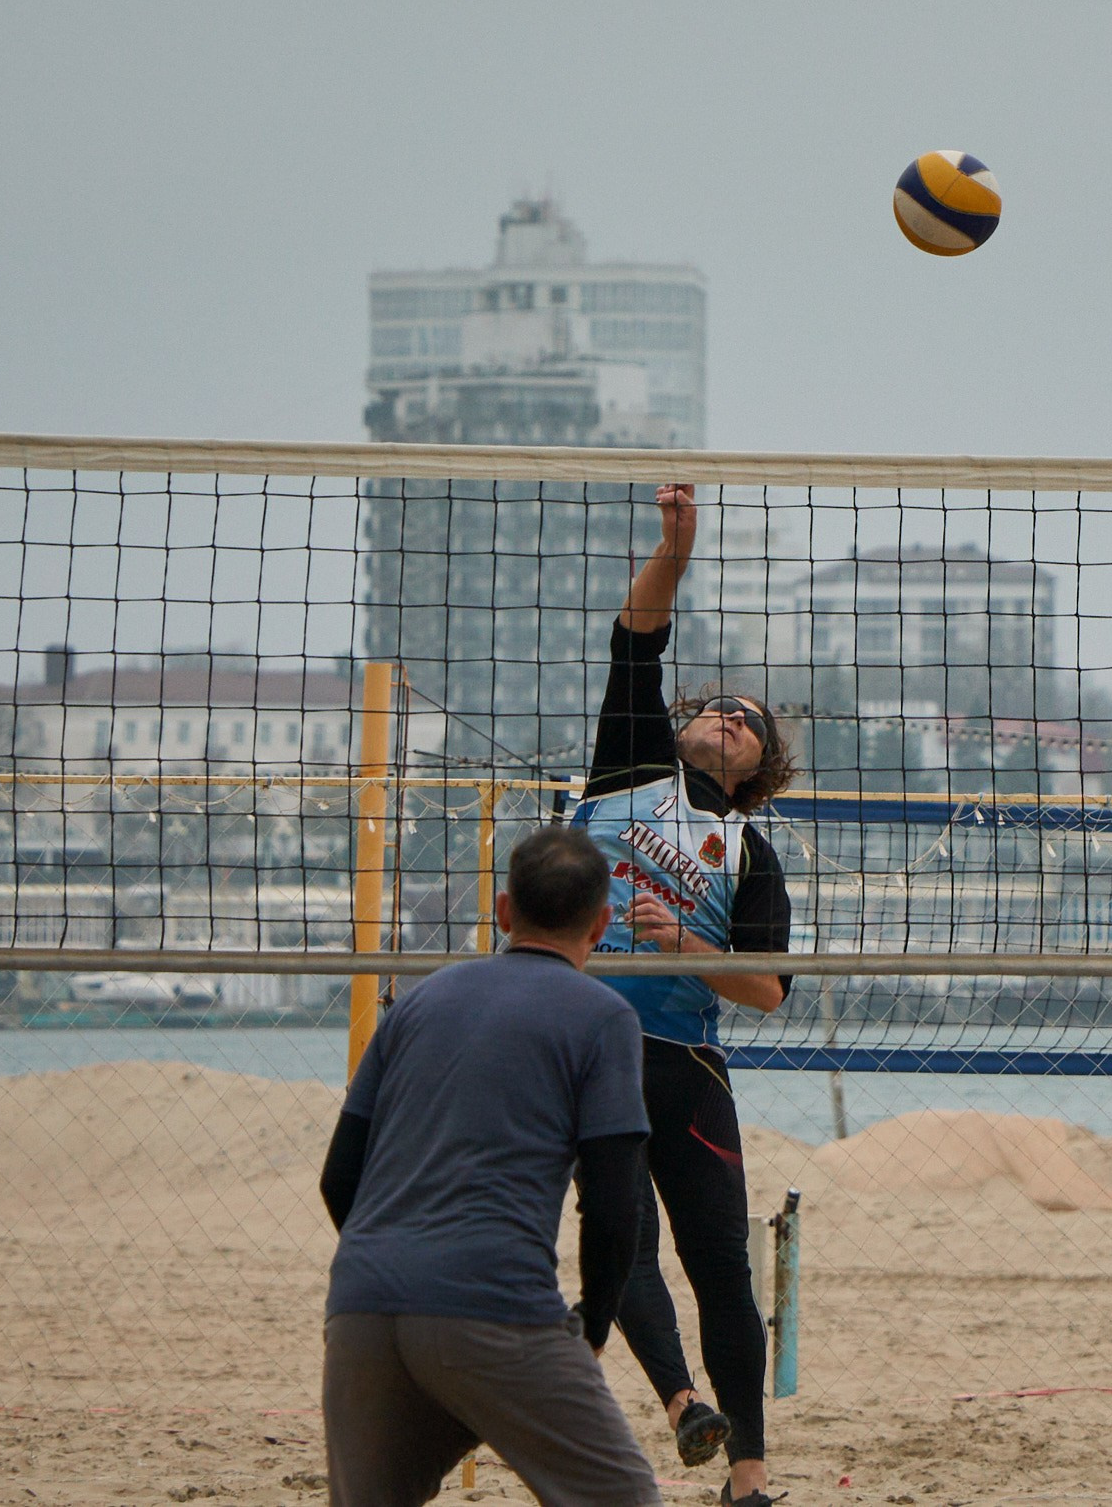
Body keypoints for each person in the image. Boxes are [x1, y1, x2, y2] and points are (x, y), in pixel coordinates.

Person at [573, 481, 799, 1507]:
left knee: (722, 1270)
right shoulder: (629, 766)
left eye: (746, 722)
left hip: (688, 1068)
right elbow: (637, 638)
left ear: (756, 770)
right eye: (716, 707)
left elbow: (769, 992)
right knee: (619, 1243)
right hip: (591, 1045)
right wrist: (677, 546)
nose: (727, 717)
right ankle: (679, 1403)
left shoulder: (751, 853)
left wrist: (686, 945)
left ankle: (747, 1480)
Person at [319, 825, 657, 1507]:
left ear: (503, 911)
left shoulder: (416, 1002)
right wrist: (593, 1324)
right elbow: (615, 1202)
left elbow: (338, 1177)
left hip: (363, 1305)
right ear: (601, 924)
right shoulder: (603, 1017)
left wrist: (395, 1262)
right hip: (494, 1306)